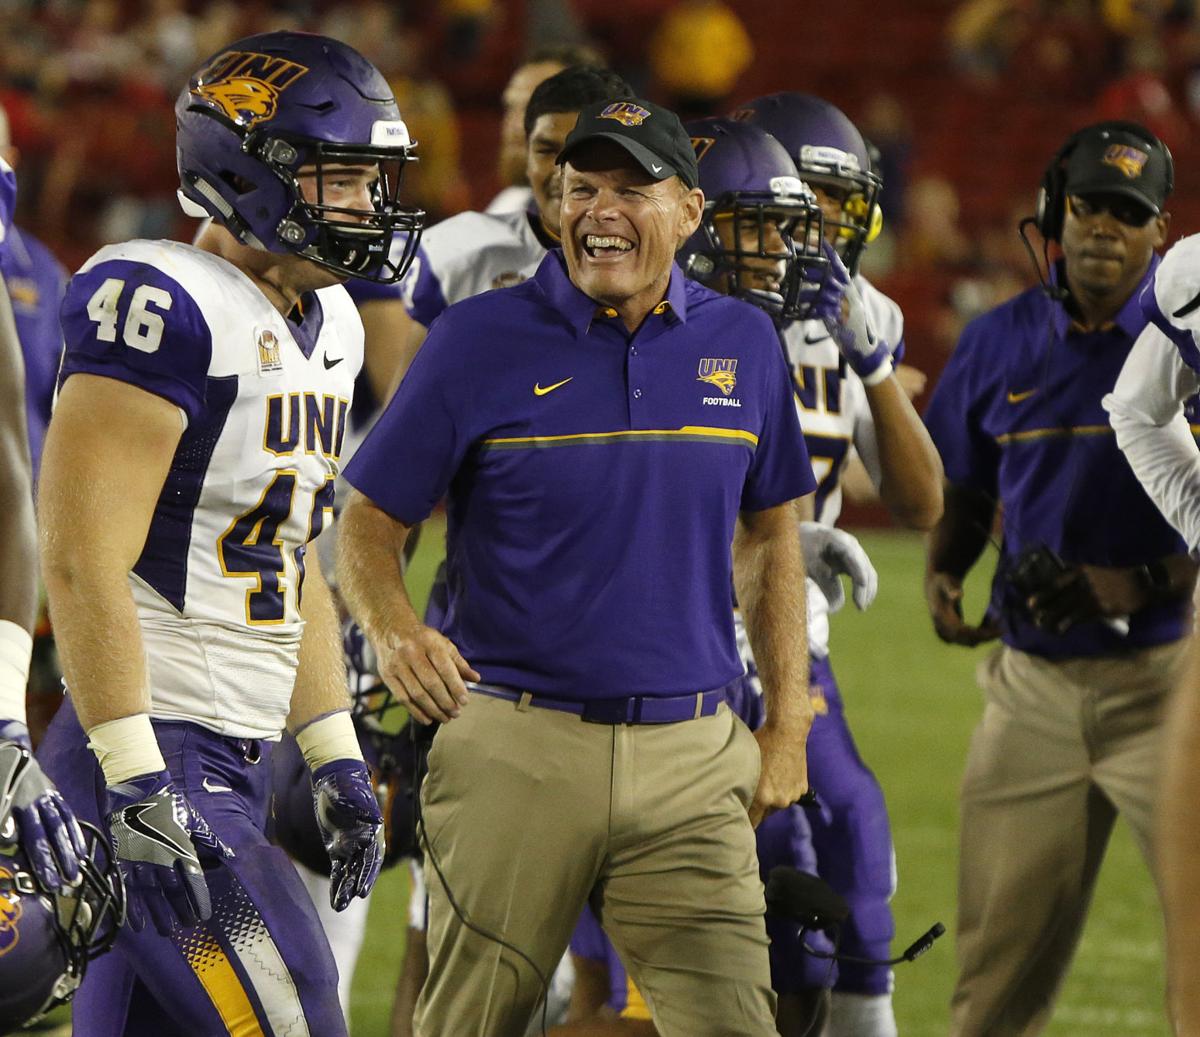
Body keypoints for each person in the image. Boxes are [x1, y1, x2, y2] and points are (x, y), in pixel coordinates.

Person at [338, 97, 817, 1036]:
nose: (599, 209)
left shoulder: (745, 343)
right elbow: (367, 522)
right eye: (580, 187)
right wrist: (393, 628)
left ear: (689, 212)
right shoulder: (477, 340)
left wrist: (787, 722)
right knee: (470, 1021)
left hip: (692, 750)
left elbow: (770, 535)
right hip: (517, 744)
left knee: (736, 1023)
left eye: (632, 189)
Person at [34, 31, 425, 1035]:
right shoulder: (159, 302)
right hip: (152, 756)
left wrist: (332, 748)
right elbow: (81, 562)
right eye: (342, 179)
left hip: (237, 760)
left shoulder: (331, 322)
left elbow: (293, 552)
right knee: (294, 1011)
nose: (366, 207)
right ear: (251, 174)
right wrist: (134, 778)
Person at [922, 120, 1194, 1036]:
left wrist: (1149, 578)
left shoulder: (1188, 348)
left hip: (1170, 685)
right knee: (991, 987)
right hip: (1031, 689)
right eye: (1088, 207)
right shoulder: (997, 341)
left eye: (1129, 214)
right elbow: (963, 485)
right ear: (1053, 212)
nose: (1104, 231)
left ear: (1161, 232)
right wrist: (947, 573)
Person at [735, 91, 944, 1037]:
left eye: (835, 207)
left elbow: (922, 500)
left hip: (791, 656)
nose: (817, 232)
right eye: (800, 204)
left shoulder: (859, 317)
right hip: (677, 656)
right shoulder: (681, 308)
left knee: (854, 848)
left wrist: (870, 366)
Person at [0, 152, 88, 914]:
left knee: (39, 726)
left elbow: (54, 419)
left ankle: (39, 897)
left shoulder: (42, 271)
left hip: (21, 535)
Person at [488, 43, 606, 215]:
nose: (513, 124)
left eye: (534, 108)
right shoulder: (509, 203)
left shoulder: (619, 217)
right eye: (511, 107)